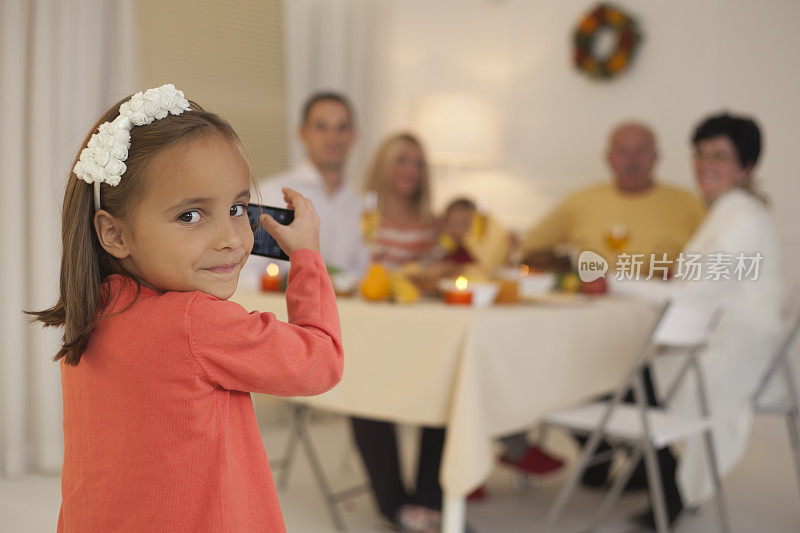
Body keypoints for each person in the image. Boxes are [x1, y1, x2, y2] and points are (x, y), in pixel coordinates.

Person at [28, 85, 344, 532]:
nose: (232, 238)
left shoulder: (94, 309)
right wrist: (308, 259)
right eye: (190, 216)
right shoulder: (197, 323)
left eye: (237, 208)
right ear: (114, 234)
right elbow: (322, 359)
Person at [614, 112, 783, 528]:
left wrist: (614, 282)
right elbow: (713, 279)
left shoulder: (739, 217)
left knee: (621, 374)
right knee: (632, 371)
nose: (706, 164)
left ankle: (666, 490)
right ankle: (657, 481)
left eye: (720, 156)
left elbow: (697, 296)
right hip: (731, 337)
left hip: (730, 350)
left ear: (746, 167)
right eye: (701, 154)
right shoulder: (733, 211)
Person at [352, 132, 446, 532]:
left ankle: (430, 499)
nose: (411, 170)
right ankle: (393, 503)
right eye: (403, 160)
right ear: (385, 165)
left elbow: (443, 276)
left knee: (447, 384)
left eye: (418, 163)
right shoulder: (361, 216)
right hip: (373, 338)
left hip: (422, 338)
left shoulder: (434, 224)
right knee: (367, 390)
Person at [521, 122, 706, 271]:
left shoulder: (688, 203)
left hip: (664, 304)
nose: (632, 160)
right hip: (593, 303)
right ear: (608, 157)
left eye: (641, 151)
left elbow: (714, 257)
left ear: (656, 156)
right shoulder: (581, 200)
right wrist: (568, 272)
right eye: (622, 151)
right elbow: (532, 246)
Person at [247, 91, 368, 279]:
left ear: (353, 135)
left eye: (341, 128)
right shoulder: (271, 194)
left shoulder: (360, 206)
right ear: (302, 133)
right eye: (321, 127)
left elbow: (362, 276)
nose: (332, 137)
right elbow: (247, 272)